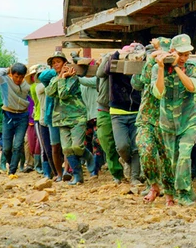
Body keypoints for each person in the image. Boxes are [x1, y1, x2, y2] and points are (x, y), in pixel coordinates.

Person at [152, 33, 196, 206]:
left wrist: (178, 68)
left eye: (187, 54)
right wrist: (160, 68)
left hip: (188, 120)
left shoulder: (192, 67)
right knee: (172, 161)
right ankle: (176, 192)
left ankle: (184, 194)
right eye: (180, 54)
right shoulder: (158, 68)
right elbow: (158, 93)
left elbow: (192, 87)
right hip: (168, 122)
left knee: (184, 157)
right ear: (172, 51)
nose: (184, 58)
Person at [132, 38, 172, 202]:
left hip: (168, 120)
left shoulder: (177, 68)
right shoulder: (150, 66)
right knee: (145, 150)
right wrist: (152, 59)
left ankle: (169, 192)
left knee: (167, 159)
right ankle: (153, 185)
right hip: (147, 118)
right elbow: (142, 80)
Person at [98, 46, 143, 187]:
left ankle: (134, 178)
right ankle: (127, 162)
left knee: (136, 147)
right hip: (118, 112)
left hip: (136, 111)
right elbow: (102, 72)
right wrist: (116, 54)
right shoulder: (116, 66)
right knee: (122, 146)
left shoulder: (140, 69)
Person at [45, 53, 88, 185]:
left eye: (59, 62)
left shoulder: (73, 78)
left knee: (77, 147)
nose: (56, 65)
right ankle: (77, 176)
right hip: (61, 118)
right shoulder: (54, 79)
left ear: (65, 63)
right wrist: (61, 77)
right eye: (54, 63)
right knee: (67, 149)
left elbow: (63, 94)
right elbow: (50, 92)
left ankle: (89, 158)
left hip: (77, 117)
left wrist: (63, 78)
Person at [0, 63, 32, 176]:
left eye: (21, 77)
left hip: (22, 116)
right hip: (8, 115)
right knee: (6, 148)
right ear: (11, 75)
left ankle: (12, 171)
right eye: (16, 76)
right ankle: (11, 164)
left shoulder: (26, 85)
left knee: (18, 145)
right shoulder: (5, 81)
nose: (18, 79)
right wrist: (8, 69)